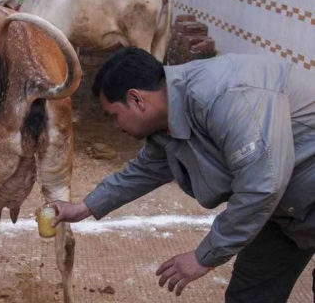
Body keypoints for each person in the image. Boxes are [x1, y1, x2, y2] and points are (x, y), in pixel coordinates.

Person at [49, 48, 315, 302]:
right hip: (284, 211)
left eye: (114, 116)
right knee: (250, 294)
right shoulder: (170, 118)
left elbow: (262, 185)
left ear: (136, 99)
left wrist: (203, 257)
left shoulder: (224, 95)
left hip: (291, 195)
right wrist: (84, 208)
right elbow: (144, 170)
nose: (116, 126)